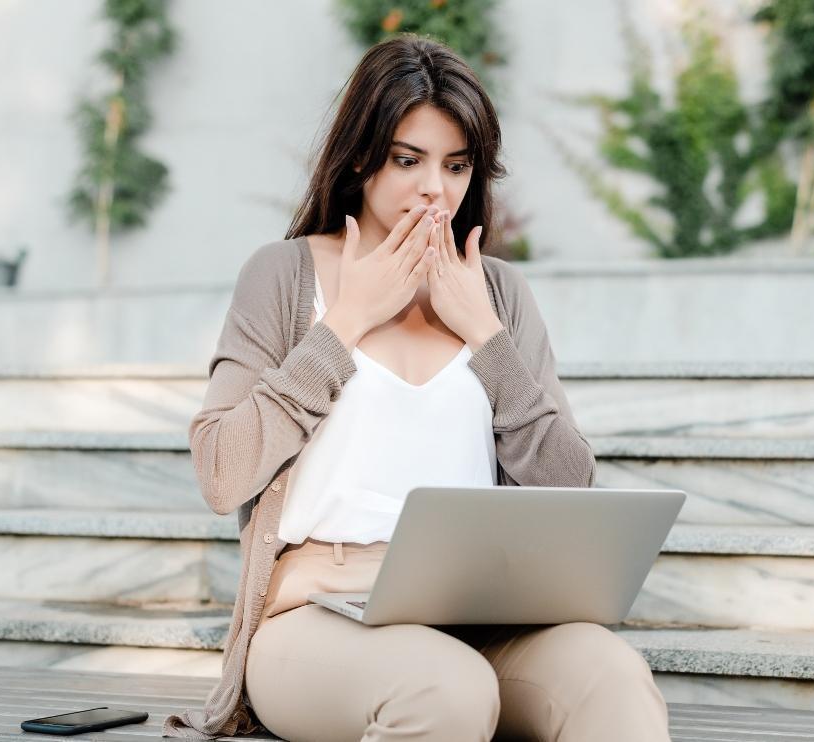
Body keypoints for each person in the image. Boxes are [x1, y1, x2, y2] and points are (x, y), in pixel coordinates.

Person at [163, 34, 671, 742]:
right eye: (409, 160)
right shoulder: (282, 277)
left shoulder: (498, 292)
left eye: (456, 166)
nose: (436, 189)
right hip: (315, 617)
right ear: (361, 156)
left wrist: (488, 342)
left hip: (478, 609)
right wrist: (342, 327)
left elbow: (571, 484)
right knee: (444, 690)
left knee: (611, 677)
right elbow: (222, 473)